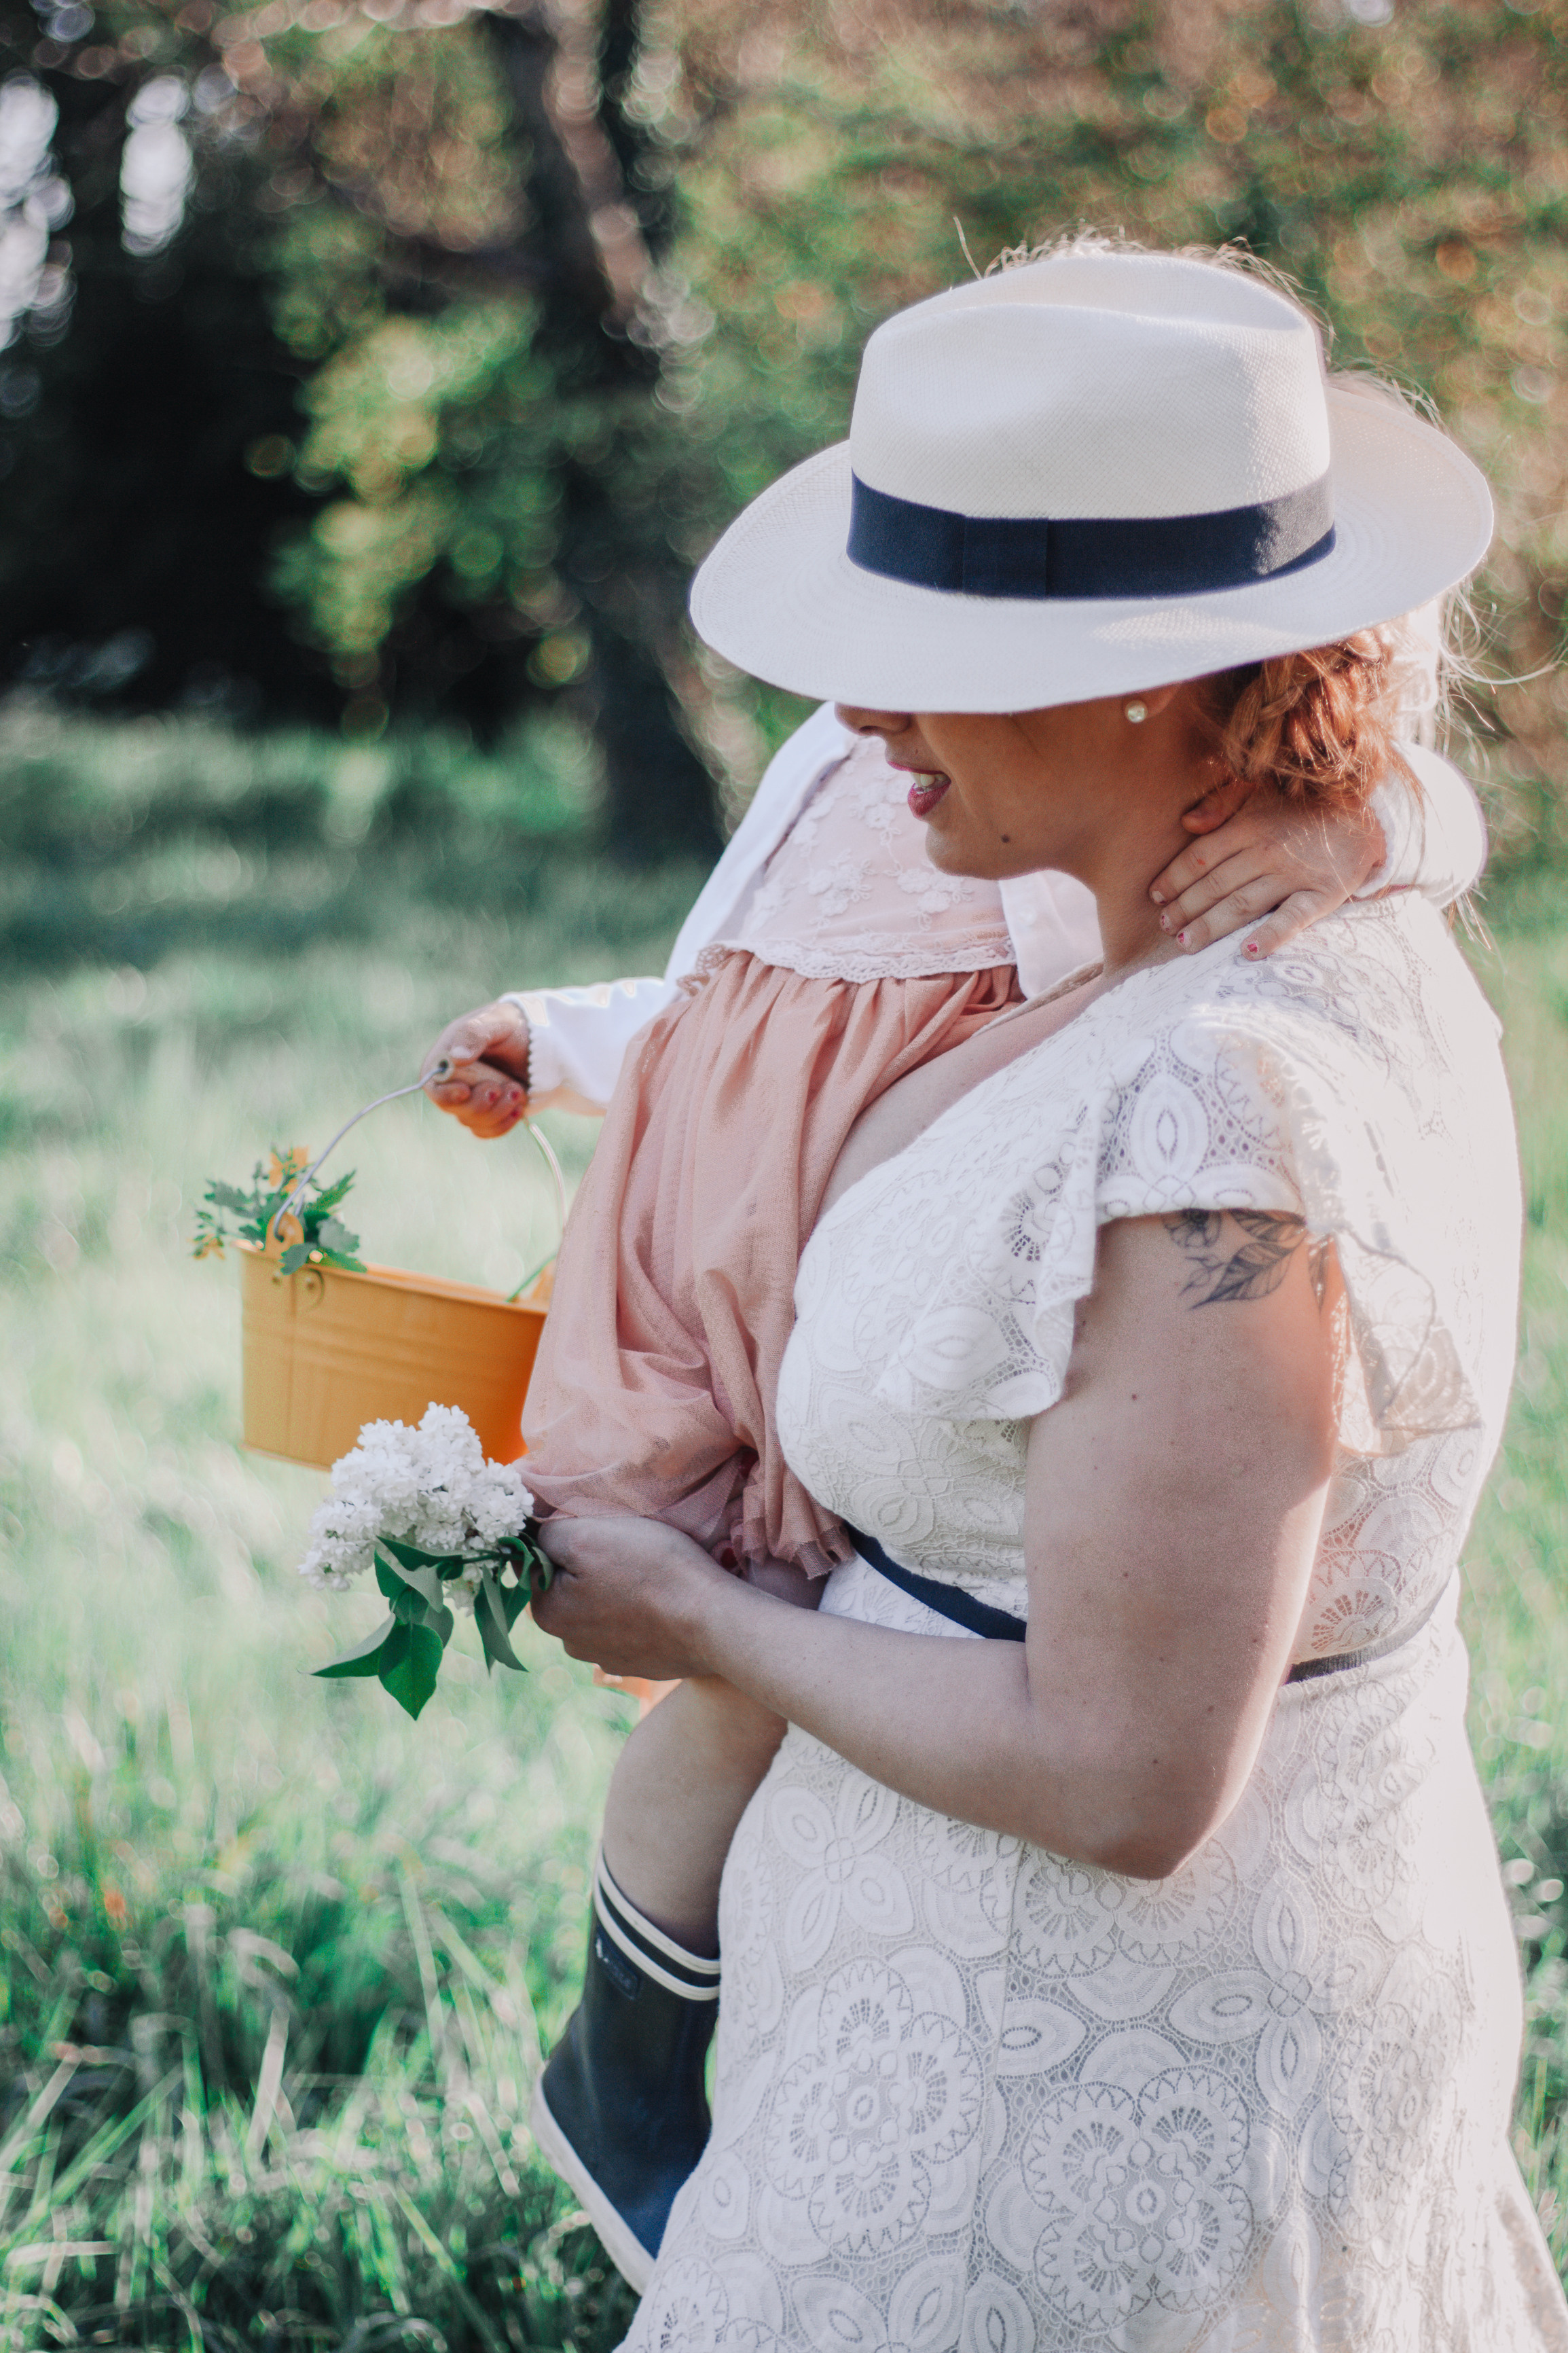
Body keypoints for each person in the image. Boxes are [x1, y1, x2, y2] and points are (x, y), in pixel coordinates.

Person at [527, 241, 1568, 2347]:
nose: (858, 713)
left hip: (1064, 2125)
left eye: (931, 650)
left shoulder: (1221, 1100)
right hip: (967, 2053)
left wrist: (699, 1623)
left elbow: (1123, 1775)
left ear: (1158, 673)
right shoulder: (1147, 953)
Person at [425, 675, 1484, 2294]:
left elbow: (1329, 816)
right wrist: (566, 1039)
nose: (873, 714)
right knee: (673, 1644)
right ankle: (632, 2022)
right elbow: (722, 987)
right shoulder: (893, 774)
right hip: (718, 1241)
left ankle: (633, 2047)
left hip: (842, 1273)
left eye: (940, 655)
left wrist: (1375, 821)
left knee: (736, 1633)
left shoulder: (1166, 1023)